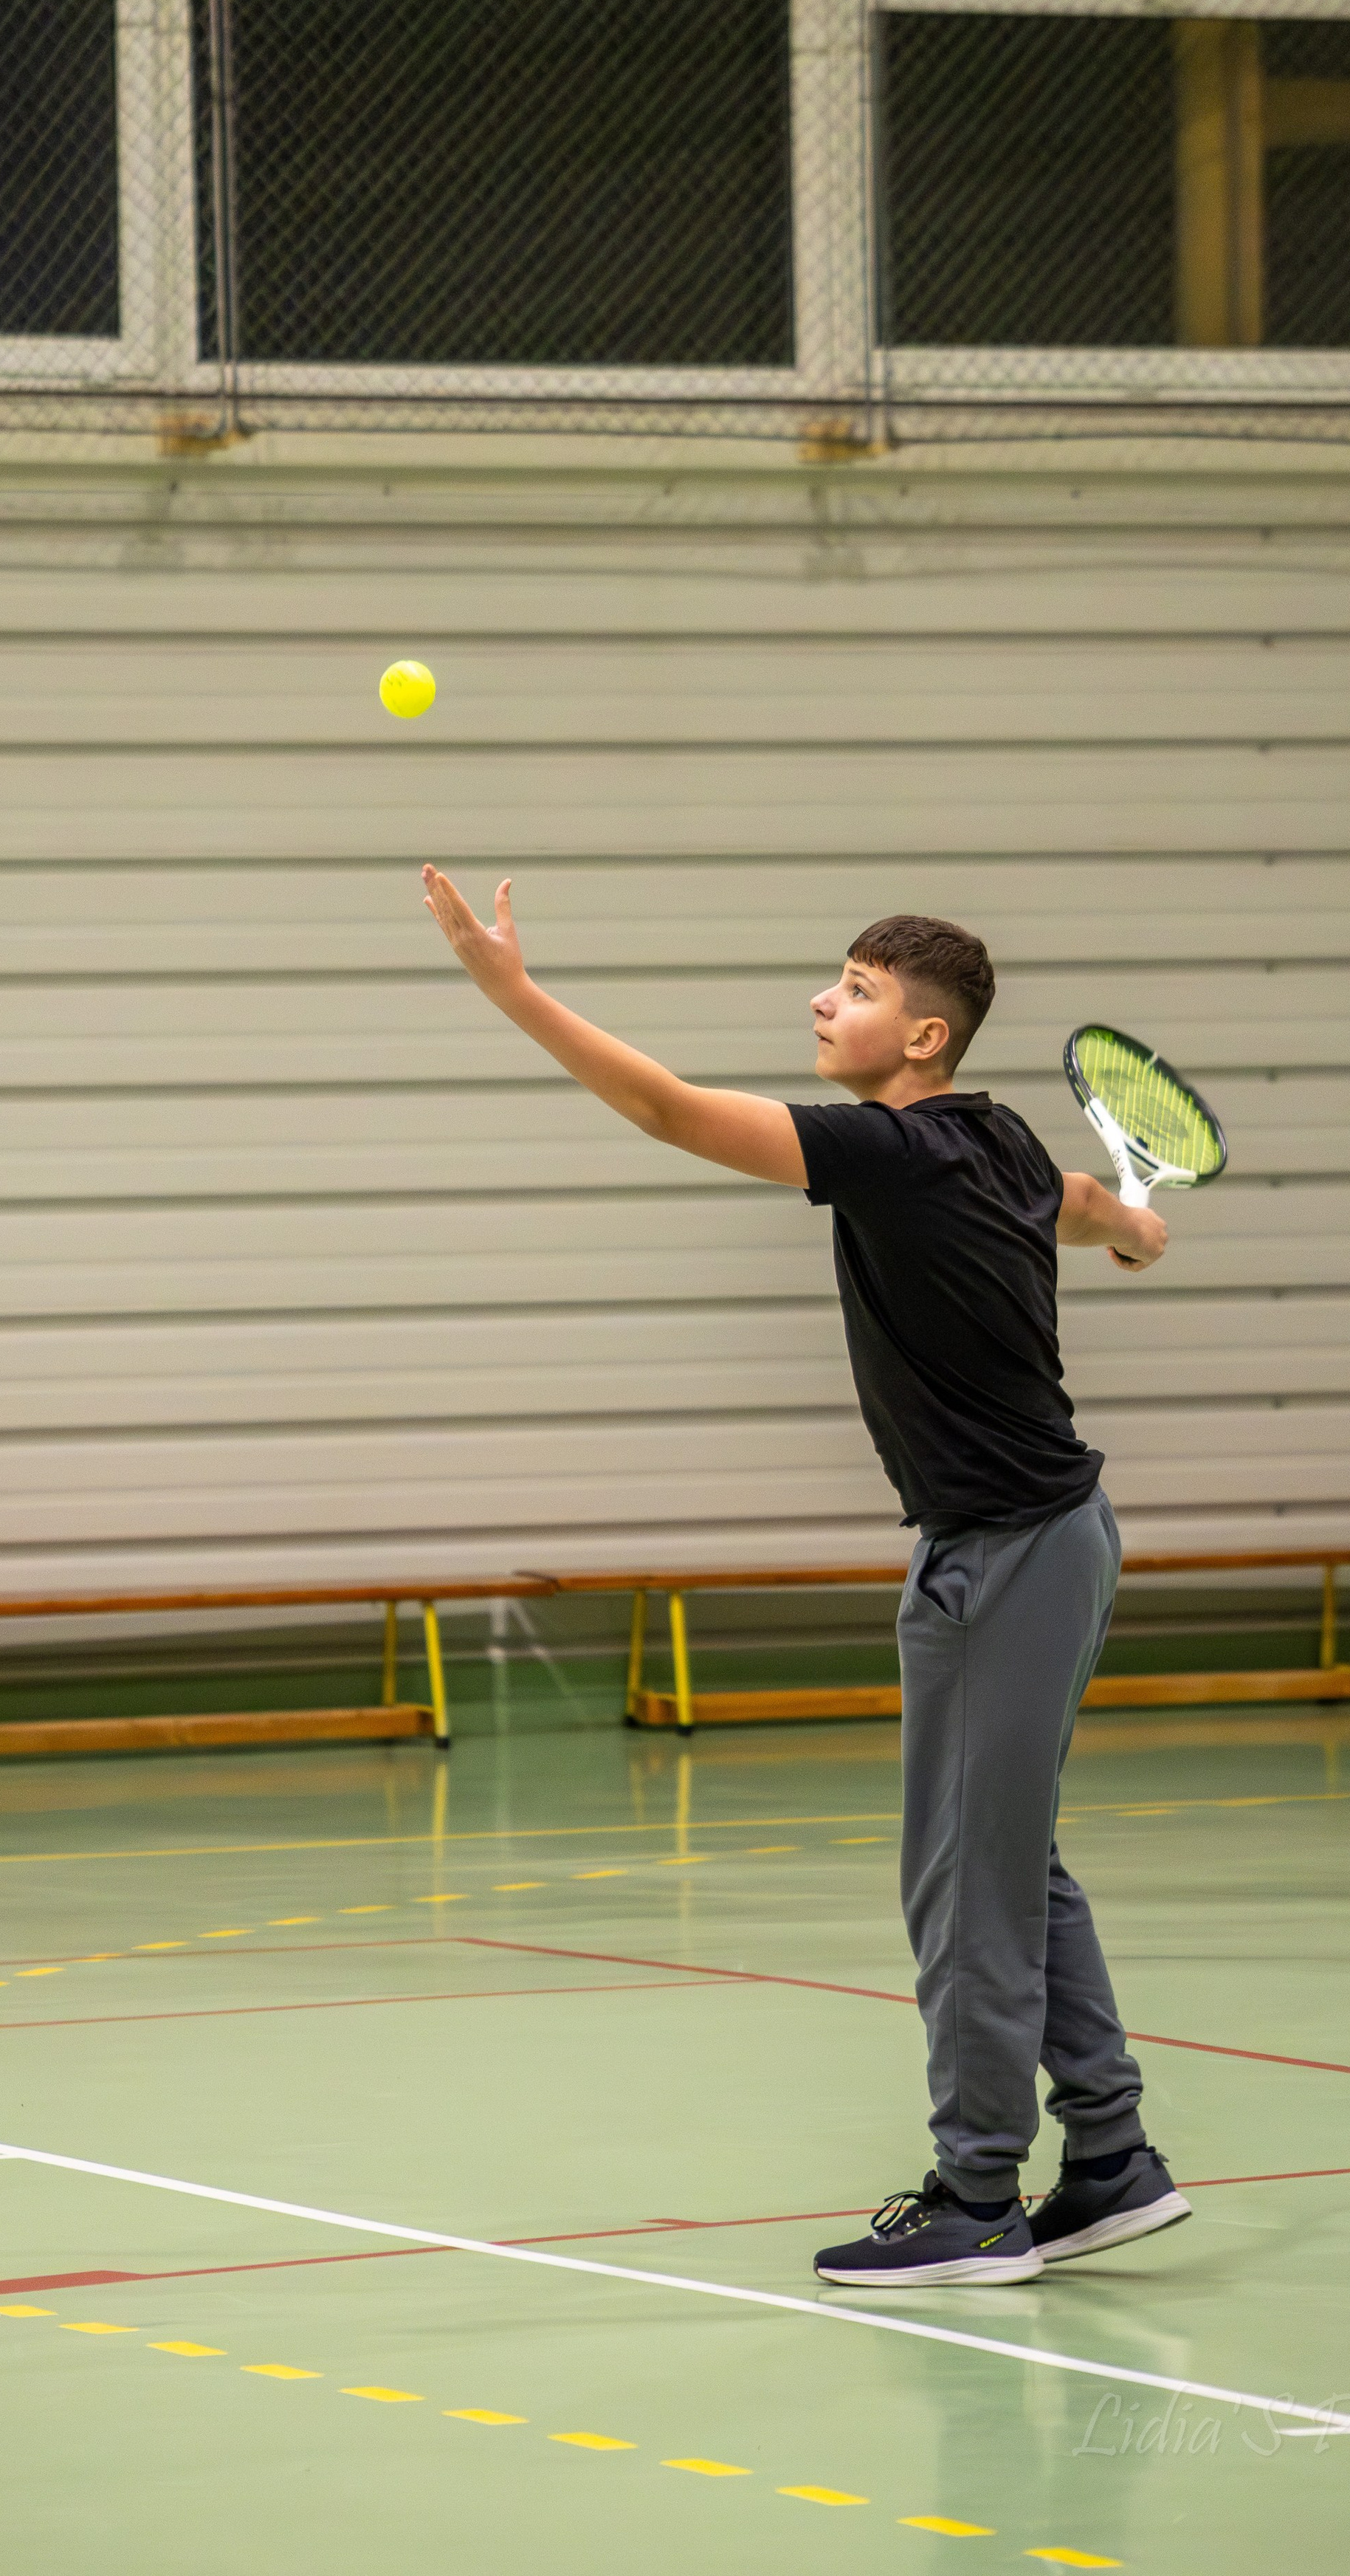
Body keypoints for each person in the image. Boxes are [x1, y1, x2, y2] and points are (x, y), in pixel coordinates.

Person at [421, 869, 1191, 2288]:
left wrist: (512, 990)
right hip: (1016, 1542)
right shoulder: (1000, 1140)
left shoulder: (897, 1150)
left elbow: (665, 1107)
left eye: (854, 989)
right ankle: (1111, 2158)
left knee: (966, 1880)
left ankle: (976, 2196)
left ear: (923, 1041)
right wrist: (1135, 1228)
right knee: (1007, 1865)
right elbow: (1080, 1200)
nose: (822, 1002)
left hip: (1015, 1549)